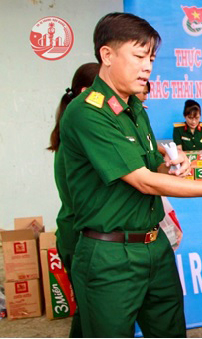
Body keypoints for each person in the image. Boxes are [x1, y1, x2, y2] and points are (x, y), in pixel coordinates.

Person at [57, 12, 202, 337]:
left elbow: (153, 166)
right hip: (111, 254)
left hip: (155, 244)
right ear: (107, 55)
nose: (147, 67)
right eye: (139, 56)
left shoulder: (135, 109)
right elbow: (140, 179)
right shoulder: (88, 112)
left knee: (170, 330)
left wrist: (173, 164)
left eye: (151, 58)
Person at [48, 62, 100, 338]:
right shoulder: (79, 135)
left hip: (75, 230)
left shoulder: (73, 131)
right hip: (80, 234)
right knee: (91, 311)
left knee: (90, 309)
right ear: (85, 92)